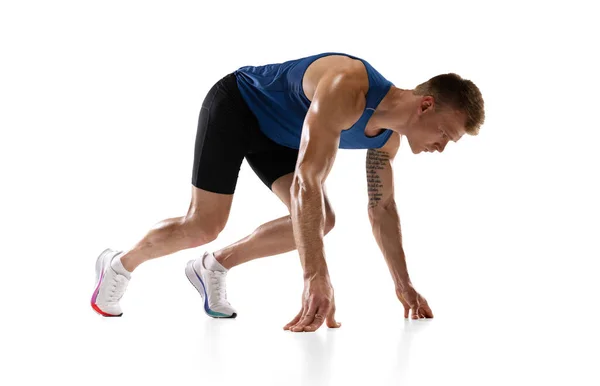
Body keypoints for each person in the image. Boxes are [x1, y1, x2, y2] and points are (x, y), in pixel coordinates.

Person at [90, 52, 485, 332]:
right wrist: (316, 275)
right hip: (238, 107)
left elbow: (381, 208)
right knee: (203, 225)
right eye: (445, 134)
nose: (442, 146)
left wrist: (403, 284)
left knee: (322, 220)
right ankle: (120, 264)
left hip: (281, 136)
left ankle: (213, 266)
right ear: (426, 105)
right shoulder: (347, 86)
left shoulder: (386, 142)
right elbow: (306, 181)